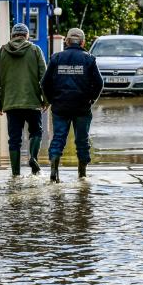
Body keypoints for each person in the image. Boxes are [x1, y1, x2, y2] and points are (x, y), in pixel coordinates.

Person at [41, 28, 104, 182]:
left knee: (58, 138)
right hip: (82, 107)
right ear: (83, 42)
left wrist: (51, 100)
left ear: (67, 41)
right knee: (82, 141)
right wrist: (91, 99)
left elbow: (44, 83)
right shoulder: (89, 59)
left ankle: (54, 170)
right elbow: (99, 83)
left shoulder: (56, 58)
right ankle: (82, 175)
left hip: (60, 106)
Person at [0, 23, 48, 176]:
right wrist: (46, 100)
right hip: (32, 101)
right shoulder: (35, 50)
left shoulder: (2, 51)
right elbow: (44, 77)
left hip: (11, 104)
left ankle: (15, 174)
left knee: (14, 139)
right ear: (26, 35)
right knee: (36, 132)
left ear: (12, 35)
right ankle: (33, 158)